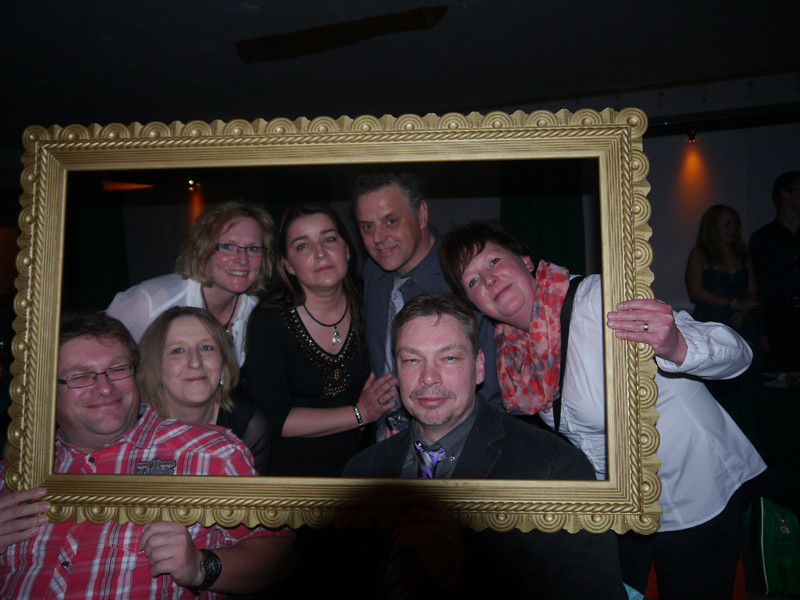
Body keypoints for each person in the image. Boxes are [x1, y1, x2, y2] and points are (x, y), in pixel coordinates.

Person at [439, 219, 766, 600]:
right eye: (473, 281)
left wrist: (677, 345)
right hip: (620, 505)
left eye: (494, 261)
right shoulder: (514, 355)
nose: (489, 280)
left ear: (526, 260)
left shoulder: (597, 299)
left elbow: (738, 353)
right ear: (473, 303)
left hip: (693, 495)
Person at [344, 293, 626, 598]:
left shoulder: (553, 469)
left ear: (479, 367)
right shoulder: (362, 472)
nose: (428, 378)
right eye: (412, 360)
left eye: (449, 358)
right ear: (397, 372)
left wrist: (465, 573)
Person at [0, 312, 295, 599]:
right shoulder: (15, 472)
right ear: (46, 389)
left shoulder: (211, 452)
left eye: (118, 369)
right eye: (80, 376)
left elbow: (278, 554)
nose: (105, 388)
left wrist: (201, 566)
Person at [242, 203, 396, 477]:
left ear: (347, 250)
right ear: (288, 264)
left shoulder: (372, 300)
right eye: (303, 246)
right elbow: (272, 417)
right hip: (293, 478)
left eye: (329, 239)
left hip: (365, 470)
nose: (320, 252)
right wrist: (359, 413)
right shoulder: (270, 320)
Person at [353, 173, 502, 438]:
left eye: (391, 221)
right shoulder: (373, 273)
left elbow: (490, 396)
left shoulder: (465, 280)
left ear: (421, 215)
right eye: (367, 226)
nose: (378, 237)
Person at [107, 201, 275, 365]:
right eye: (228, 247)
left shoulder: (257, 315)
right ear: (204, 250)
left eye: (253, 248)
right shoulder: (151, 303)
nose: (243, 259)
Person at [138, 306, 270, 475]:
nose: (195, 362)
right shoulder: (133, 425)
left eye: (206, 348)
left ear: (223, 364)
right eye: (177, 351)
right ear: (155, 367)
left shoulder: (248, 425)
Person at [686, 205, 760, 351]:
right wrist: (731, 303)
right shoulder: (699, 254)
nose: (732, 229)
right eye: (727, 224)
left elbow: (752, 290)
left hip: (740, 320)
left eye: (735, 224)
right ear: (712, 227)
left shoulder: (743, 254)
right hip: (710, 321)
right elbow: (696, 293)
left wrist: (743, 312)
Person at [749, 171, 800, 371]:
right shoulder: (763, 238)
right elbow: (760, 286)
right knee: (783, 374)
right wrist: (763, 330)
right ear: (785, 194)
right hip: (779, 318)